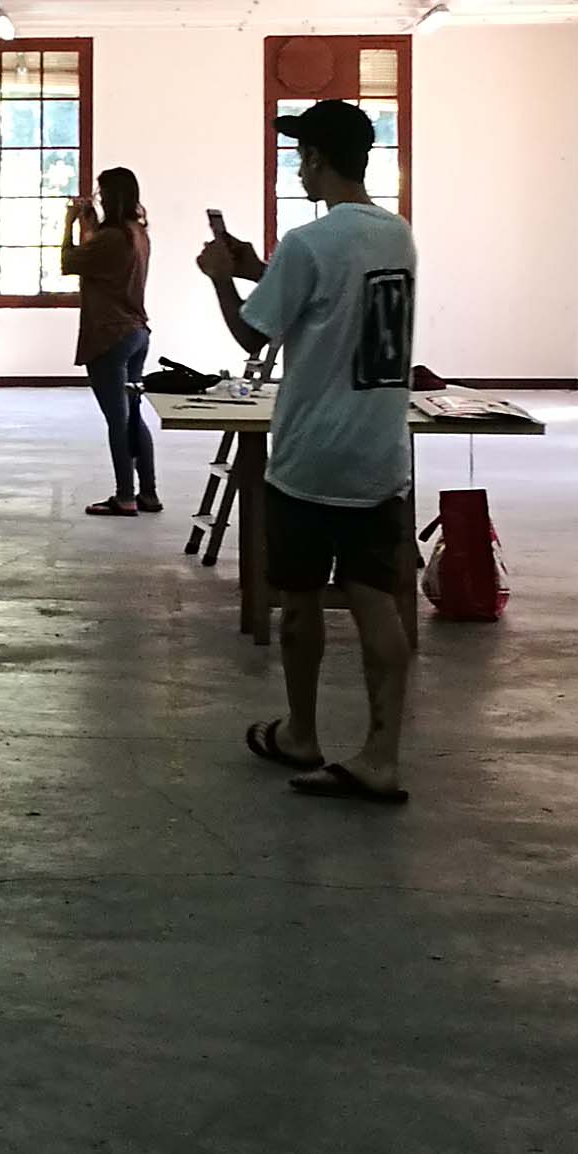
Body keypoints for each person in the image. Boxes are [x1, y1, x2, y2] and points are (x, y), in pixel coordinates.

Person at [200, 99, 418, 805]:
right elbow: (332, 301)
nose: (297, 169)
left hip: (312, 455)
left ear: (318, 159)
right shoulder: (397, 236)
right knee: (376, 603)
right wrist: (257, 267)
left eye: (300, 156)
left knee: (298, 602)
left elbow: (252, 336)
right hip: (379, 454)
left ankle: (302, 731)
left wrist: (220, 275)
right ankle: (381, 755)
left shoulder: (308, 241)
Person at [61, 167, 160, 515]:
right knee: (133, 416)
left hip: (109, 334)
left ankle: (125, 496)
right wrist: (90, 225)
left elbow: (70, 261)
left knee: (118, 420)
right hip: (136, 332)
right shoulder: (137, 232)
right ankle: (148, 493)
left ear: (112, 196)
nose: (98, 199)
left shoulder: (113, 238)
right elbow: (100, 261)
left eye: (101, 193)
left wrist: (69, 223)